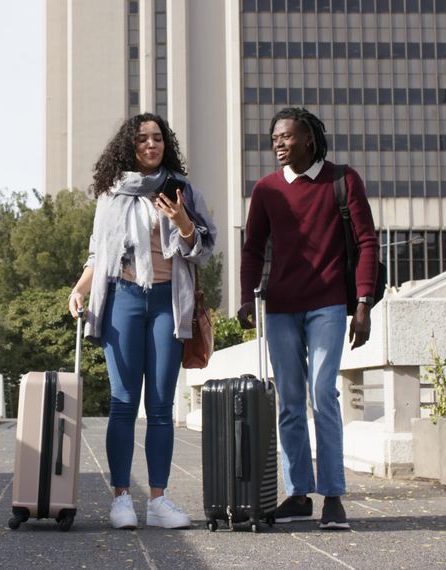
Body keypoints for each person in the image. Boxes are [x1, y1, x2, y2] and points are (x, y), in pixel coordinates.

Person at [68, 113, 217, 530]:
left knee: (161, 406)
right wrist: (79, 289)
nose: (151, 145)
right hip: (123, 298)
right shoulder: (111, 195)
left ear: (166, 144)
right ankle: (120, 499)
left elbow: (203, 248)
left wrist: (182, 222)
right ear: (128, 146)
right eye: (142, 139)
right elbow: (99, 254)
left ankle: (158, 500)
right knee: (122, 401)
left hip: (169, 300)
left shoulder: (182, 190)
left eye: (157, 139)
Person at [237, 107, 378, 531]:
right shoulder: (266, 190)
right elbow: (252, 248)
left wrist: (364, 302)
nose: (277, 143)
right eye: (274, 137)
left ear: (309, 140)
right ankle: (298, 493)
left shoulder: (342, 180)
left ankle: (333, 496)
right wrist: (247, 297)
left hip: (329, 305)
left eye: (286, 137)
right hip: (280, 308)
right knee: (291, 404)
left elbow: (367, 241)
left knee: (323, 395)